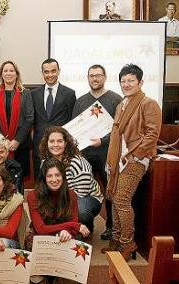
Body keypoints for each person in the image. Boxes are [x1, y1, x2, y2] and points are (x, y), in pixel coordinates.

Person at [102, 64, 162, 261]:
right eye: (123, 81)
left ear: (140, 82)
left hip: (136, 159)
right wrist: (111, 159)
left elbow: (152, 134)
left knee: (121, 200)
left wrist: (135, 155)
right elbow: (116, 135)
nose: (126, 84)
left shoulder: (148, 103)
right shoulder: (122, 104)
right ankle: (117, 240)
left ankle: (128, 243)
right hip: (118, 160)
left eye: (131, 81)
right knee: (112, 198)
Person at [72, 64, 122, 240]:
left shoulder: (116, 99)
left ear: (105, 77)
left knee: (110, 190)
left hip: (107, 153)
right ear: (88, 78)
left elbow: (119, 129)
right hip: (84, 154)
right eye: (91, 76)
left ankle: (110, 226)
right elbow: (75, 128)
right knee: (82, 188)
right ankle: (85, 224)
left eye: (98, 75)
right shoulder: (80, 101)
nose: (95, 79)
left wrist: (103, 141)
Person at [27, 158, 90, 283]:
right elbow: (41, 229)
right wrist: (71, 226)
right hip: (41, 237)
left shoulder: (71, 195)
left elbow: (74, 225)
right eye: (49, 176)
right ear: (44, 178)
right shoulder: (33, 196)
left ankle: (60, 277)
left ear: (63, 177)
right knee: (36, 277)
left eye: (57, 175)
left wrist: (67, 231)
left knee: (78, 246)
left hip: (65, 237)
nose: (54, 180)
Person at [39, 126, 104, 233]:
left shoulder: (77, 163)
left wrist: (59, 208)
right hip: (61, 198)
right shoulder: (45, 162)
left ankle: (86, 230)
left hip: (86, 198)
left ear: (66, 143)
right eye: (52, 141)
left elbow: (81, 194)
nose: (55, 145)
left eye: (59, 141)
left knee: (81, 211)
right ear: (47, 143)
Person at [0, 60, 34, 177]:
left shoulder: (26, 93)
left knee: (19, 179)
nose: (8, 73)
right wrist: (1, 140)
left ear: (16, 74)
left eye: (11, 70)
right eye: (5, 71)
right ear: (1, 75)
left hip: (20, 143)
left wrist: (17, 140)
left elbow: (29, 118)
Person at [31, 58, 76, 177]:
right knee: (40, 183)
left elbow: (72, 120)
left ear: (58, 71)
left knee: (60, 181)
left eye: (53, 71)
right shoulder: (34, 94)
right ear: (42, 73)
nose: (50, 75)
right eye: (46, 72)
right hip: (39, 147)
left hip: (60, 148)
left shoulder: (69, 94)